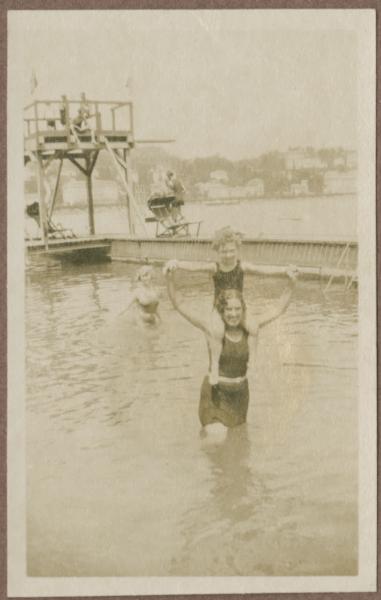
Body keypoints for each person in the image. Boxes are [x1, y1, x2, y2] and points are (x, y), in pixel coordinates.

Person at [166, 266, 298, 429]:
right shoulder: (211, 328)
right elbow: (180, 304)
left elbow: (278, 309)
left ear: (243, 311)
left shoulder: (249, 328)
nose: (233, 314)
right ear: (222, 310)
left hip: (241, 396)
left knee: (237, 446)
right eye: (228, 309)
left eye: (237, 309)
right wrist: (170, 279)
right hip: (216, 395)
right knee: (216, 438)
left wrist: (292, 283)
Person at [163, 226, 285, 384]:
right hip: (219, 309)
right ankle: (214, 366)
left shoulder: (242, 266)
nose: (228, 255)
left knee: (254, 327)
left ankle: (252, 362)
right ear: (217, 251)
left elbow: (263, 270)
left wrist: (284, 270)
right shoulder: (215, 267)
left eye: (231, 250)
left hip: (239, 309)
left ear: (237, 249)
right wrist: (176, 263)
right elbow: (195, 266)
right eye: (223, 252)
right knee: (217, 331)